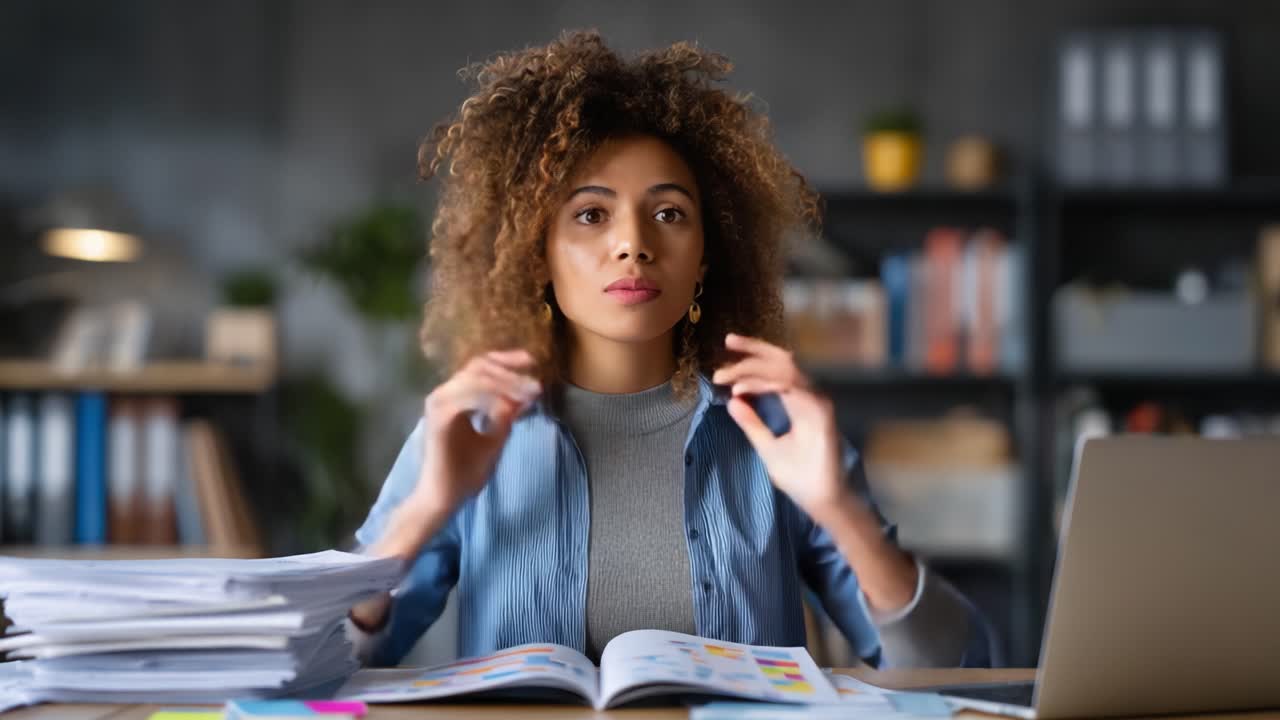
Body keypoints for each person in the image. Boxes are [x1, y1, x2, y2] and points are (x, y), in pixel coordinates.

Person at [347, 30, 992, 669]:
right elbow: (330, 657)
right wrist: (425, 509)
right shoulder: (470, 429)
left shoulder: (775, 430)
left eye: (669, 213)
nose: (633, 243)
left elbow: (958, 663)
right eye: (591, 214)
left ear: (705, 260)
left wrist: (839, 509)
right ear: (537, 255)